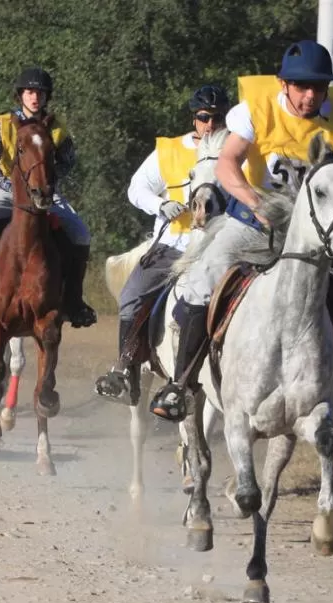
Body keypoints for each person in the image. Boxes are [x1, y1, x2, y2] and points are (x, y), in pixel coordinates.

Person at [150, 40, 333, 432]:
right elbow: (226, 164)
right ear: (283, 84)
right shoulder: (254, 110)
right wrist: (255, 203)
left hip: (313, 231)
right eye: (301, 86)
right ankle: (181, 385)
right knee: (201, 282)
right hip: (253, 221)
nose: (310, 96)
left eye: (318, 87)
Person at [94, 85, 231, 404]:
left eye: (217, 117)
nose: (210, 124)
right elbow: (135, 188)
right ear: (194, 118)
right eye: (203, 117)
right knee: (131, 295)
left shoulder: (236, 149)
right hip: (175, 243)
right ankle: (126, 369)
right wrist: (159, 205)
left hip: (220, 246)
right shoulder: (169, 150)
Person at [0, 67, 96, 328]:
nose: (35, 97)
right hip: (8, 192)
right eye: (30, 92)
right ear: (20, 95)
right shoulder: (3, 123)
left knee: (81, 234)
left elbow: (68, 161)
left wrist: (47, 182)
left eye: (40, 93)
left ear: (46, 97)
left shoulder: (57, 127)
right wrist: (14, 188)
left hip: (45, 194)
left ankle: (74, 301)